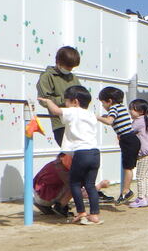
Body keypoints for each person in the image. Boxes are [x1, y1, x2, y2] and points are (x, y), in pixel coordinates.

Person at [38, 85, 102, 225]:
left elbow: (55, 111)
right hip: (95, 153)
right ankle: (95, 215)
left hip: (81, 153)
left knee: (75, 183)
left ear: (75, 102)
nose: (65, 104)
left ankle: (81, 213)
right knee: (90, 185)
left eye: (66, 101)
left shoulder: (73, 111)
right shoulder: (90, 113)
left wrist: (48, 101)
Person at [33, 152, 110, 218]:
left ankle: (47, 204)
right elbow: (82, 194)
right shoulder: (64, 171)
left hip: (38, 193)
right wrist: (100, 185)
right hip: (43, 197)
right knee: (74, 184)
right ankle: (59, 207)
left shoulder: (55, 164)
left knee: (72, 184)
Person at [97, 87, 140, 204]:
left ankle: (126, 191)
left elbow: (109, 121)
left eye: (103, 103)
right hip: (131, 139)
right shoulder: (121, 107)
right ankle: (125, 192)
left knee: (127, 167)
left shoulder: (113, 108)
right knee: (128, 167)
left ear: (109, 101)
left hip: (127, 140)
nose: (102, 106)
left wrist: (96, 117)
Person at [36, 46, 81, 146]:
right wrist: (65, 100)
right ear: (58, 62)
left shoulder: (73, 77)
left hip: (77, 122)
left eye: (72, 68)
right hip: (61, 125)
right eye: (68, 67)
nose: (70, 70)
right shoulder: (47, 76)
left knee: (81, 156)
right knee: (68, 156)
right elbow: (44, 100)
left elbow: (81, 94)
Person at [127, 98, 148, 208]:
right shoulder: (145, 119)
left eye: (132, 109)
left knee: (140, 176)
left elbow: (128, 131)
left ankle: (141, 199)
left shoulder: (138, 121)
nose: (130, 111)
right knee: (146, 177)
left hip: (145, 155)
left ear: (140, 111)